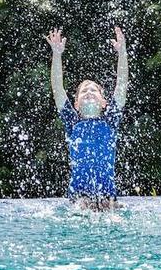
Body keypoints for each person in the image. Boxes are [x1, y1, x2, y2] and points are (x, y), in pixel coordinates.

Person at [46, 26, 128, 209]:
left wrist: (122, 52)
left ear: (104, 102)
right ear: (76, 104)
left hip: (108, 194)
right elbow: (57, 88)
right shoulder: (72, 121)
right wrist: (57, 54)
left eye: (94, 90)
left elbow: (121, 84)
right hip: (79, 196)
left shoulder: (111, 119)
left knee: (110, 207)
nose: (89, 93)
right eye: (84, 91)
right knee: (83, 206)